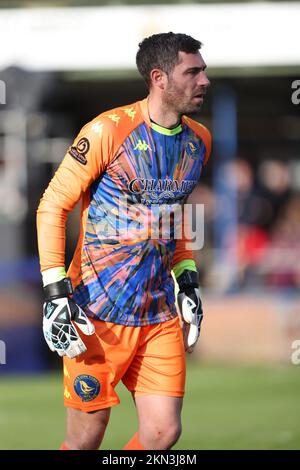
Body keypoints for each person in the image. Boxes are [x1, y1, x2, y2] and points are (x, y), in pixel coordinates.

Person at [36, 32, 211, 451]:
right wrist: (55, 292)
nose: (204, 80)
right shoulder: (106, 131)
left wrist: (187, 279)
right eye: (193, 72)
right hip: (93, 311)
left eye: (203, 70)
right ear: (160, 78)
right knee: (85, 438)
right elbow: (52, 206)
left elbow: (176, 216)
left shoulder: (199, 141)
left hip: (157, 313)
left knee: (162, 433)